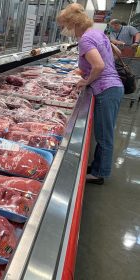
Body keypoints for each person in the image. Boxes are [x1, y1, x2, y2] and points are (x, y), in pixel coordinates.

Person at [57, 3, 124, 185]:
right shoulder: (96, 32)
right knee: (104, 132)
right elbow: (116, 52)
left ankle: (99, 174)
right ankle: (97, 166)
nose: (64, 30)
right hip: (112, 86)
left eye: (64, 26)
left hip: (106, 88)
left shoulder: (85, 39)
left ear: (73, 24)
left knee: (104, 134)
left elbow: (99, 66)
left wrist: (87, 80)